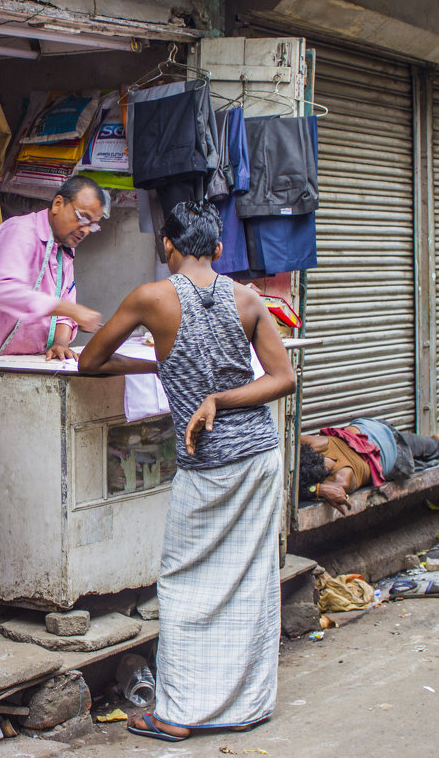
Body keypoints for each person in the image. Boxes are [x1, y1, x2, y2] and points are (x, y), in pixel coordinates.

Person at [76, 201, 296, 742]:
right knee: (249, 579)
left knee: (181, 581)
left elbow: (90, 360)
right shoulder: (247, 298)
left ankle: (177, 712)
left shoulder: (151, 298)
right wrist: (204, 385)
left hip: (209, 462)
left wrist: (172, 372)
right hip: (259, 457)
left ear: (166, 246)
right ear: (218, 250)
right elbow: (283, 377)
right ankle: (245, 704)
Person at [0, 175, 106, 361]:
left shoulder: (65, 251)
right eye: (82, 218)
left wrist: (60, 343)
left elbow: (64, 307)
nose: (85, 230)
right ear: (57, 204)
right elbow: (5, 292)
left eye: (92, 225)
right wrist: (72, 311)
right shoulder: (21, 231)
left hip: (32, 360)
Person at [299, 420, 439, 515]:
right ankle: (435, 444)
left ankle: (437, 446)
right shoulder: (314, 443)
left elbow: (342, 498)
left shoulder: (339, 481)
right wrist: (320, 489)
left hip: (389, 447)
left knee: (435, 452)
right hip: (375, 432)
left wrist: (317, 490)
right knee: (421, 451)